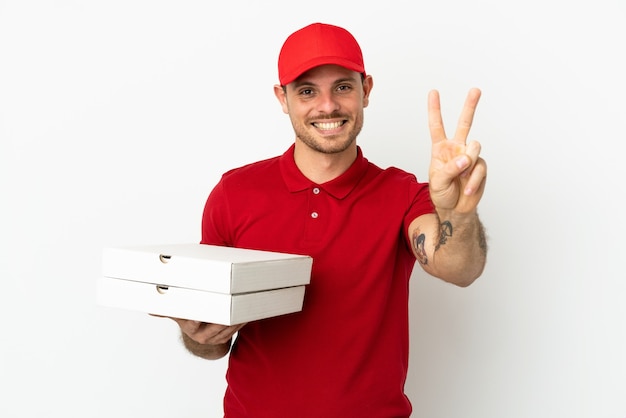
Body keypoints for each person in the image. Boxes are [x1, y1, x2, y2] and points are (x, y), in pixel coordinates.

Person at [166, 22, 487, 417]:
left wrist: (458, 210)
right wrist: (198, 336)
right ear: (282, 99)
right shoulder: (234, 193)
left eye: (343, 86)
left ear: (365, 91)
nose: (328, 106)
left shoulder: (402, 194)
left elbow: (458, 268)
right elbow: (212, 341)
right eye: (306, 91)